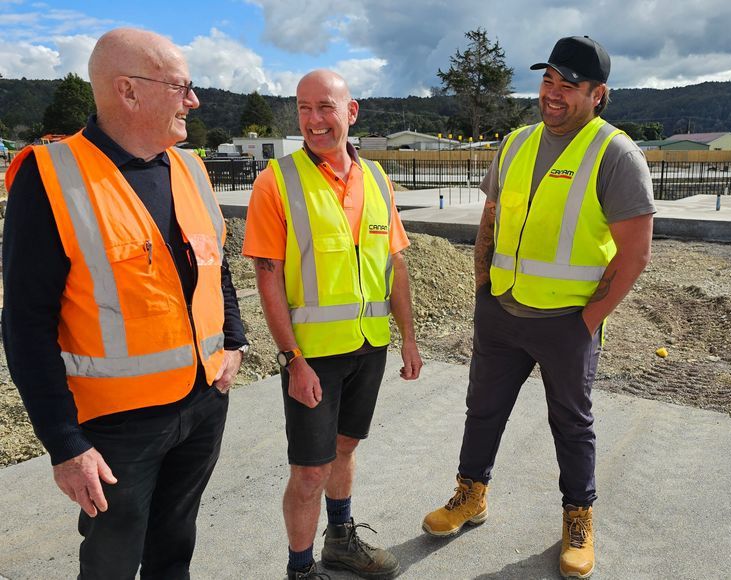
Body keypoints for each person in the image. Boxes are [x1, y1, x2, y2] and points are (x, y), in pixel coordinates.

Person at [2, 28, 248, 579]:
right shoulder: (51, 178)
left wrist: (234, 340)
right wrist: (64, 444)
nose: (195, 100)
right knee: (112, 561)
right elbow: (23, 325)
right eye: (182, 87)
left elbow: (217, 266)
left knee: (174, 548)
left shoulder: (189, 168)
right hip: (114, 428)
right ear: (128, 91)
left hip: (203, 403)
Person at [422, 36, 656, 579]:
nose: (552, 93)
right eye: (547, 79)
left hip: (566, 324)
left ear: (598, 94)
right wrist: (482, 290)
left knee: (572, 425)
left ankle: (578, 519)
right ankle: (470, 494)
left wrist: (587, 324)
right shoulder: (517, 142)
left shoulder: (614, 153)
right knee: (482, 411)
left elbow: (636, 252)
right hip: (501, 313)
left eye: (567, 84)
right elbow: (490, 219)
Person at [243, 69, 422, 580]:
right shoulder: (277, 180)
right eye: (303, 109)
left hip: (368, 347)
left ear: (351, 111)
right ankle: (300, 570)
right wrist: (291, 359)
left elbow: (397, 265)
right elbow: (267, 275)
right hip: (312, 356)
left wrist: (407, 337)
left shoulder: (377, 179)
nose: (313, 120)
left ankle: (340, 541)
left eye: (324, 107)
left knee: (345, 449)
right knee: (309, 470)